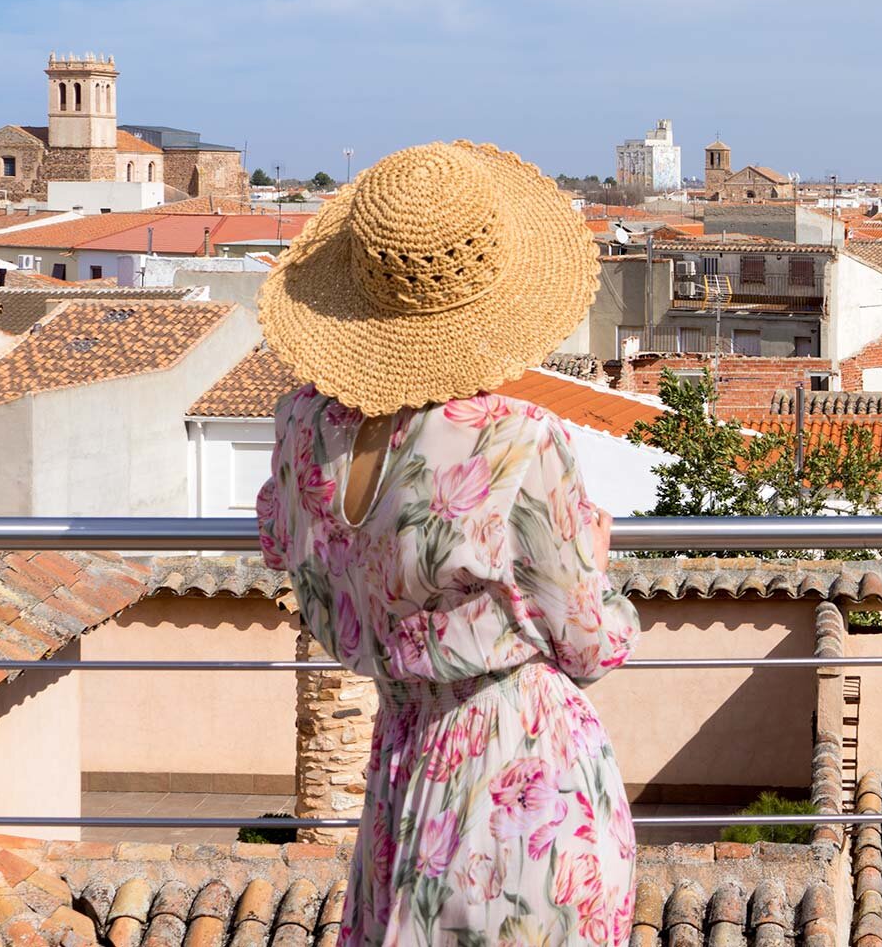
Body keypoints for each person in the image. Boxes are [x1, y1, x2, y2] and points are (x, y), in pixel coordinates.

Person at [256, 140, 638, 946]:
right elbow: (590, 647)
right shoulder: (515, 438)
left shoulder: (299, 427)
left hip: (398, 758)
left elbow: (323, 595)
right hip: (519, 775)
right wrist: (594, 563)